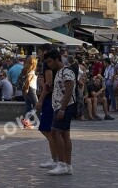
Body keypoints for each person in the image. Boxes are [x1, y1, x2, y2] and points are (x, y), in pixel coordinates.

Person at [45, 48, 76, 176]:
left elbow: (69, 90)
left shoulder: (66, 71)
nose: (49, 64)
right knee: (65, 135)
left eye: (50, 61)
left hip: (65, 106)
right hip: (61, 105)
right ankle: (68, 165)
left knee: (54, 132)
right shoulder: (59, 72)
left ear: (57, 59)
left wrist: (62, 109)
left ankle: (62, 163)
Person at [36, 44, 59, 169]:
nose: (38, 55)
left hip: (50, 99)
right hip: (54, 99)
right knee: (49, 130)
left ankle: (55, 158)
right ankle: (55, 158)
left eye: (39, 52)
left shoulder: (47, 64)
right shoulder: (53, 64)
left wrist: (41, 99)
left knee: (47, 129)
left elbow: (48, 83)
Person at [22, 55, 38, 128]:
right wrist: (27, 88)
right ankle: (26, 120)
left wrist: (25, 88)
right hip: (31, 88)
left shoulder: (25, 70)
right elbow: (28, 79)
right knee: (36, 105)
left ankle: (26, 122)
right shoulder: (32, 71)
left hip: (25, 88)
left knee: (28, 105)